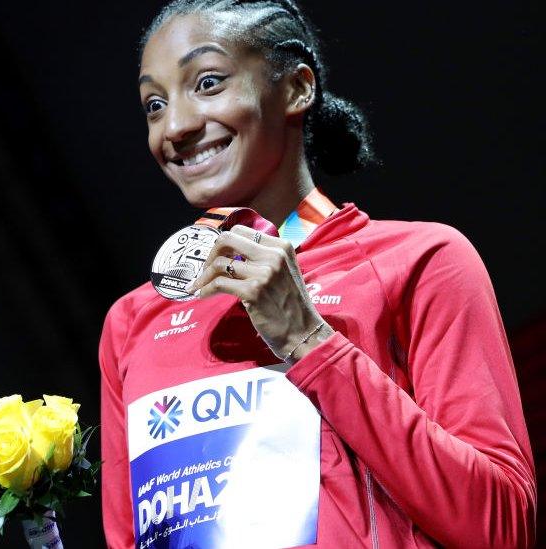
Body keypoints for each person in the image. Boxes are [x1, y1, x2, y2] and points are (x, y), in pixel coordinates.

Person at [98, 1, 537, 548]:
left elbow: (500, 528)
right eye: (154, 104)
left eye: (208, 83)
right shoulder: (134, 321)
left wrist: (309, 342)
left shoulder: (422, 261)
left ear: (297, 88)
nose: (177, 126)